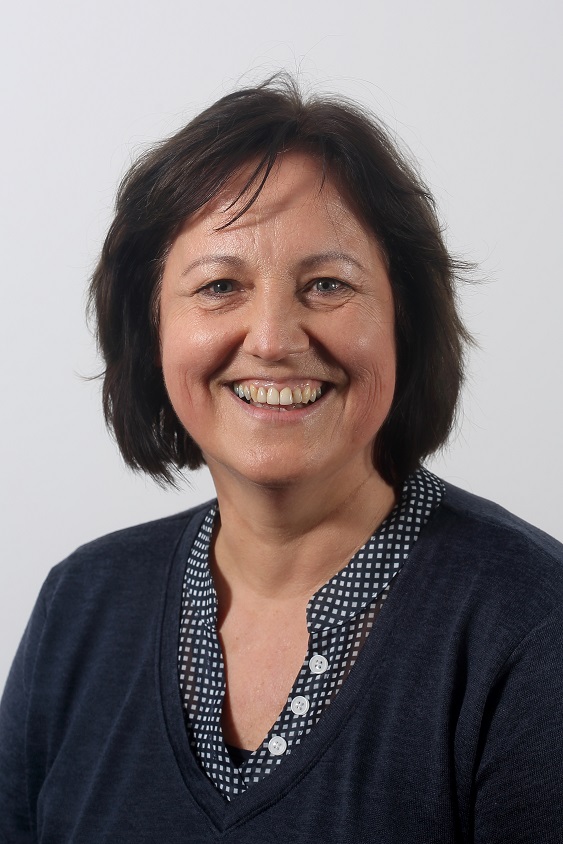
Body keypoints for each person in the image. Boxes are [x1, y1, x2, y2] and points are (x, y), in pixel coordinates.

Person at [1, 76, 562, 844]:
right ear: (151, 328)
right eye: (219, 285)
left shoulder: (532, 626)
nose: (271, 339)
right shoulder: (81, 606)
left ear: (403, 322)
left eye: (327, 284)